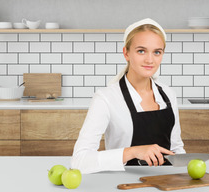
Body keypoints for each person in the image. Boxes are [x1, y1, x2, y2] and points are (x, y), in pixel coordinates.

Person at [71, 18, 185, 174]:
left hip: (166, 183)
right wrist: (133, 152)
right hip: (124, 183)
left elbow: (176, 148)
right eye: (141, 51)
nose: (149, 60)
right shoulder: (106, 98)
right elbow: (79, 161)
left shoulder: (168, 95)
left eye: (157, 52)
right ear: (126, 53)